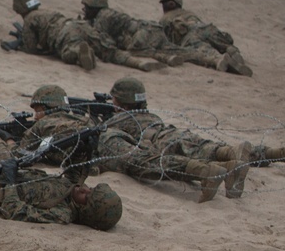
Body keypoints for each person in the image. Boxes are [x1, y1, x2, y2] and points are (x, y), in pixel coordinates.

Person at [97, 77, 250, 202]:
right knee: (200, 146)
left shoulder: (120, 119)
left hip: (157, 143)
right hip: (169, 133)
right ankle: (230, 156)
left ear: (121, 102)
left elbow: (107, 131)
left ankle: (209, 170)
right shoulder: (151, 116)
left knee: (163, 162)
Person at [9, 0, 165, 72]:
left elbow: (30, 49)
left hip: (64, 33)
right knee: (109, 51)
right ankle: (139, 63)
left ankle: (81, 53)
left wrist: (21, 46)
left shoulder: (29, 19)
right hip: (80, 25)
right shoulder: (48, 11)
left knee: (69, 50)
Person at [157, 0, 252, 76]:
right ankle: (231, 51)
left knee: (204, 51)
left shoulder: (164, 19)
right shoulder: (189, 13)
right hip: (207, 28)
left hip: (190, 35)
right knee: (221, 43)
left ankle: (220, 60)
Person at [79, 0, 187, 67]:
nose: (84, 10)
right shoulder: (107, 14)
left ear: (94, 7)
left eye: (86, 7)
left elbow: (103, 42)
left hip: (142, 35)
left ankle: (165, 58)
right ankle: (197, 57)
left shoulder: (103, 17)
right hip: (152, 29)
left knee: (134, 51)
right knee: (180, 51)